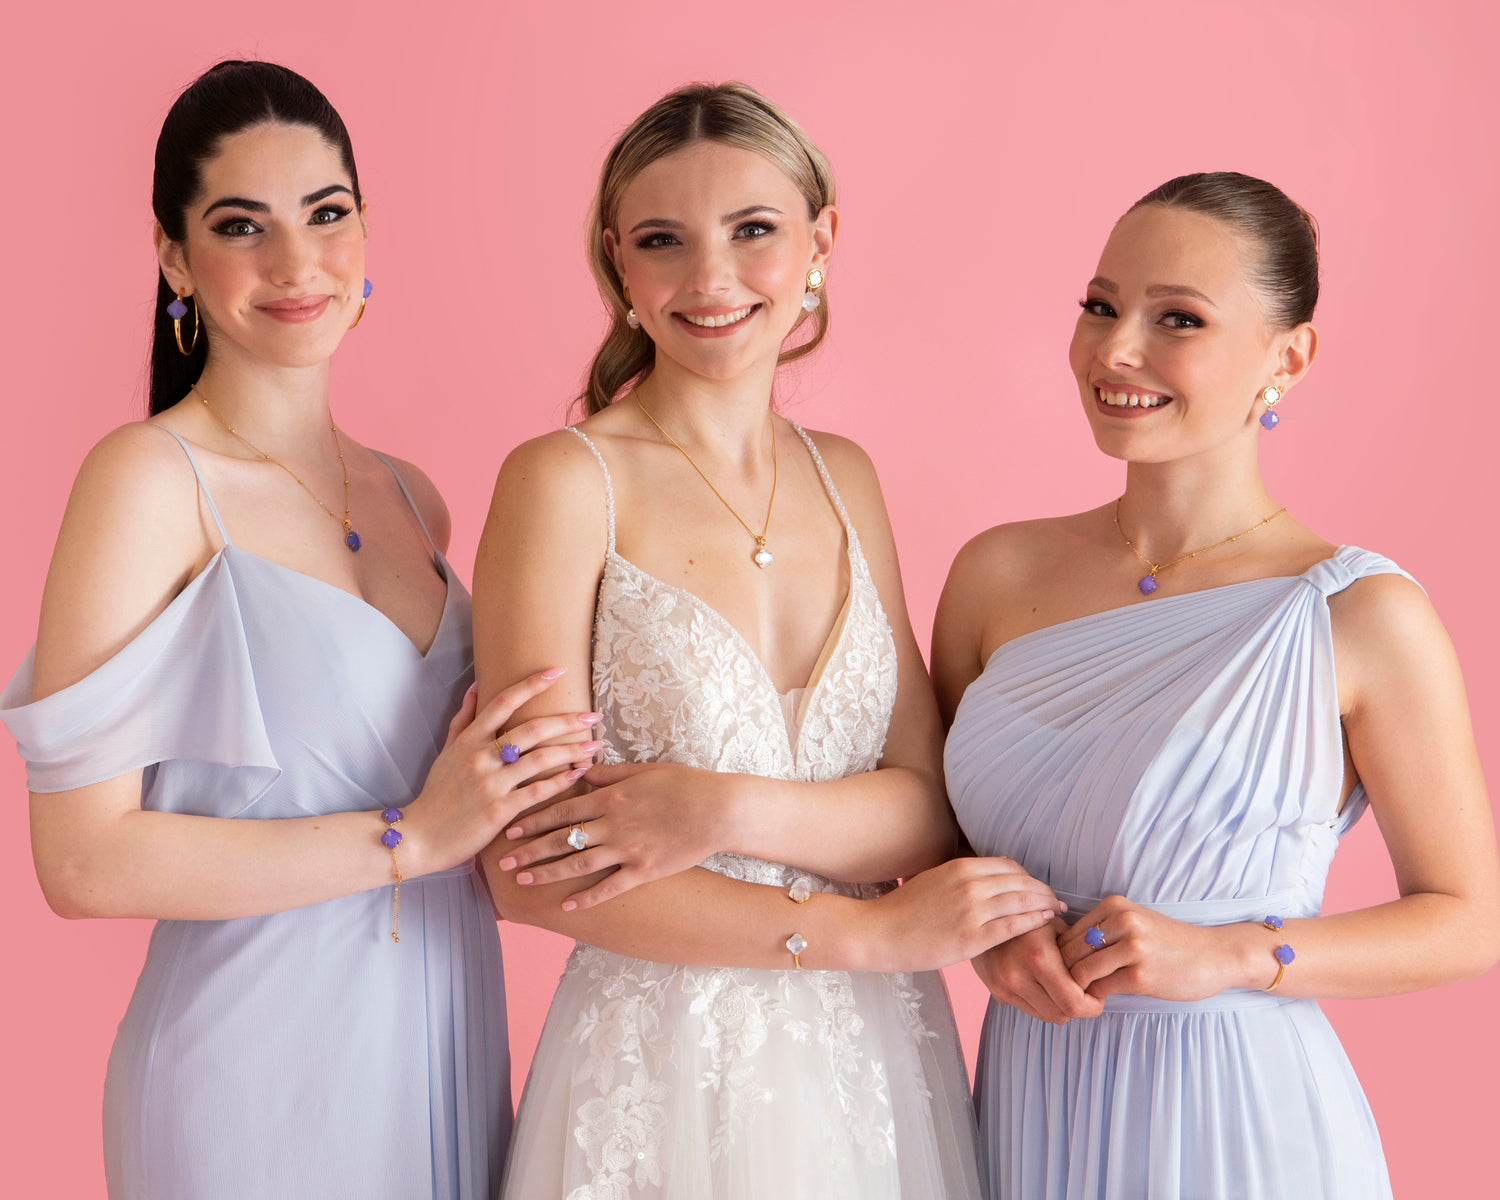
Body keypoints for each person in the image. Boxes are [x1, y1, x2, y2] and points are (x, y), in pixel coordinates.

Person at [0, 60, 597, 1200]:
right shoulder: (150, 480)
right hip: (252, 1070)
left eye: (326, 214)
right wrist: (411, 838)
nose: (296, 262)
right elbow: (81, 862)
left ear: (366, 229)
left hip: (446, 1035)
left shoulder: (414, 499)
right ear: (175, 256)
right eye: (242, 226)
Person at [474, 82, 1059, 1199]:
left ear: (820, 242)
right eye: (664, 240)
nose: (712, 278)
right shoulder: (564, 484)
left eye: (753, 230)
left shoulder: (847, 478)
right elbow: (529, 873)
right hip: (661, 1074)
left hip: (877, 1071)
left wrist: (723, 810)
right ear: (618, 263)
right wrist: (861, 936)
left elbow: (928, 805)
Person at [934, 171, 1500, 1199]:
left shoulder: (1359, 616)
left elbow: (1470, 918)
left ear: (1290, 358)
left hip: (1236, 1118)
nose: (1115, 350)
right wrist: (987, 938)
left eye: (1178, 318)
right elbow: (938, 831)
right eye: (1100, 306)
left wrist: (1234, 954)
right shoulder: (995, 574)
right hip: (1029, 1102)